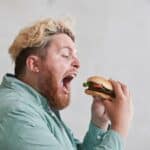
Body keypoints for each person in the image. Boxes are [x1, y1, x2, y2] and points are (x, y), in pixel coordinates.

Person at [0, 18, 133, 150]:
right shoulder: (16, 111)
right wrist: (119, 128)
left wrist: (99, 122)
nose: (77, 63)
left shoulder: (40, 108)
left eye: (75, 55)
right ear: (34, 64)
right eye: (65, 54)